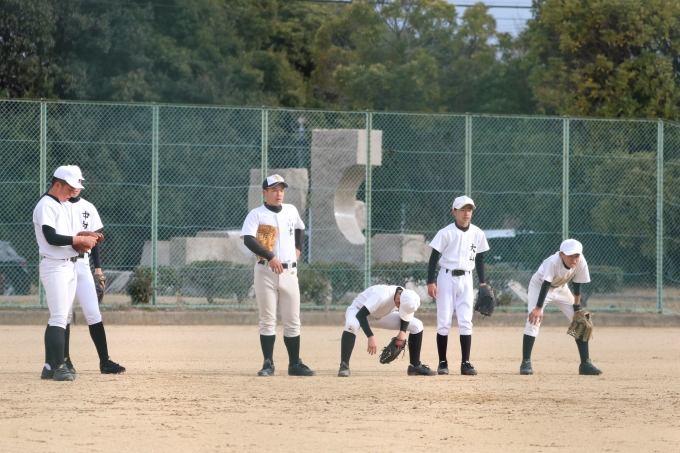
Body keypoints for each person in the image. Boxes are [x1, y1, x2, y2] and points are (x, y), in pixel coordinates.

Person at [240, 174, 315, 377]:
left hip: (289, 271)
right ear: (264, 193)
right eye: (274, 190)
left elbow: (300, 228)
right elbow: (248, 239)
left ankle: (294, 364)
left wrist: (298, 249)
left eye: (281, 190)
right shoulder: (257, 214)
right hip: (265, 271)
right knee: (267, 319)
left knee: (293, 320)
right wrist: (270, 256)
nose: (279, 193)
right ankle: (268, 364)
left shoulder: (291, 210)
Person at [55, 166, 125, 376]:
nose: (77, 187)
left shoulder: (88, 207)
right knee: (65, 314)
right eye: (73, 183)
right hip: (63, 264)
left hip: (83, 265)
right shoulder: (56, 206)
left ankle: (105, 361)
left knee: (93, 312)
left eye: (79, 183)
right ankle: (65, 361)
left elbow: (94, 241)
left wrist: (98, 270)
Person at [34, 166, 98, 381]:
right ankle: (60, 366)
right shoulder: (46, 204)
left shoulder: (59, 204)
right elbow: (51, 237)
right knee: (59, 317)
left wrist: (80, 240)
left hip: (69, 265)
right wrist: (80, 239)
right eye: (70, 188)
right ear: (57, 184)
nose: (73, 192)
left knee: (63, 317)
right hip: (55, 266)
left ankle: (49, 367)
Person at [519, 239, 602, 376]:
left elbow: (577, 284)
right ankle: (525, 362)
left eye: (576, 255)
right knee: (534, 320)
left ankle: (585, 364)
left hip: (561, 288)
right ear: (561, 254)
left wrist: (577, 307)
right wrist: (538, 308)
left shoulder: (581, 261)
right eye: (570, 255)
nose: (574, 259)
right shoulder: (553, 261)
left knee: (581, 321)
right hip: (540, 286)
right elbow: (546, 284)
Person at [427, 195, 489, 376]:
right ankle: (442, 362)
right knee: (444, 322)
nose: (466, 213)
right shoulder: (445, 232)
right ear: (454, 212)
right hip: (446, 278)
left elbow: (480, 259)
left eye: (469, 209)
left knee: (466, 321)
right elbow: (433, 258)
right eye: (462, 209)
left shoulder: (477, 233)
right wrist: (430, 282)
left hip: (467, 279)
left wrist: (483, 283)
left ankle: (465, 363)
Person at [338, 285, 436, 377]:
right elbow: (361, 315)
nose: (400, 309)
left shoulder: (407, 296)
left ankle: (415, 366)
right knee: (352, 326)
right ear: (398, 298)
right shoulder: (382, 296)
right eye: (400, 307)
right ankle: (344, 365)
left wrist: (402, 333)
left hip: (379, 315)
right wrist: (370, 336)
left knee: (417, 325)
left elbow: (406, 317)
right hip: (358, 311)